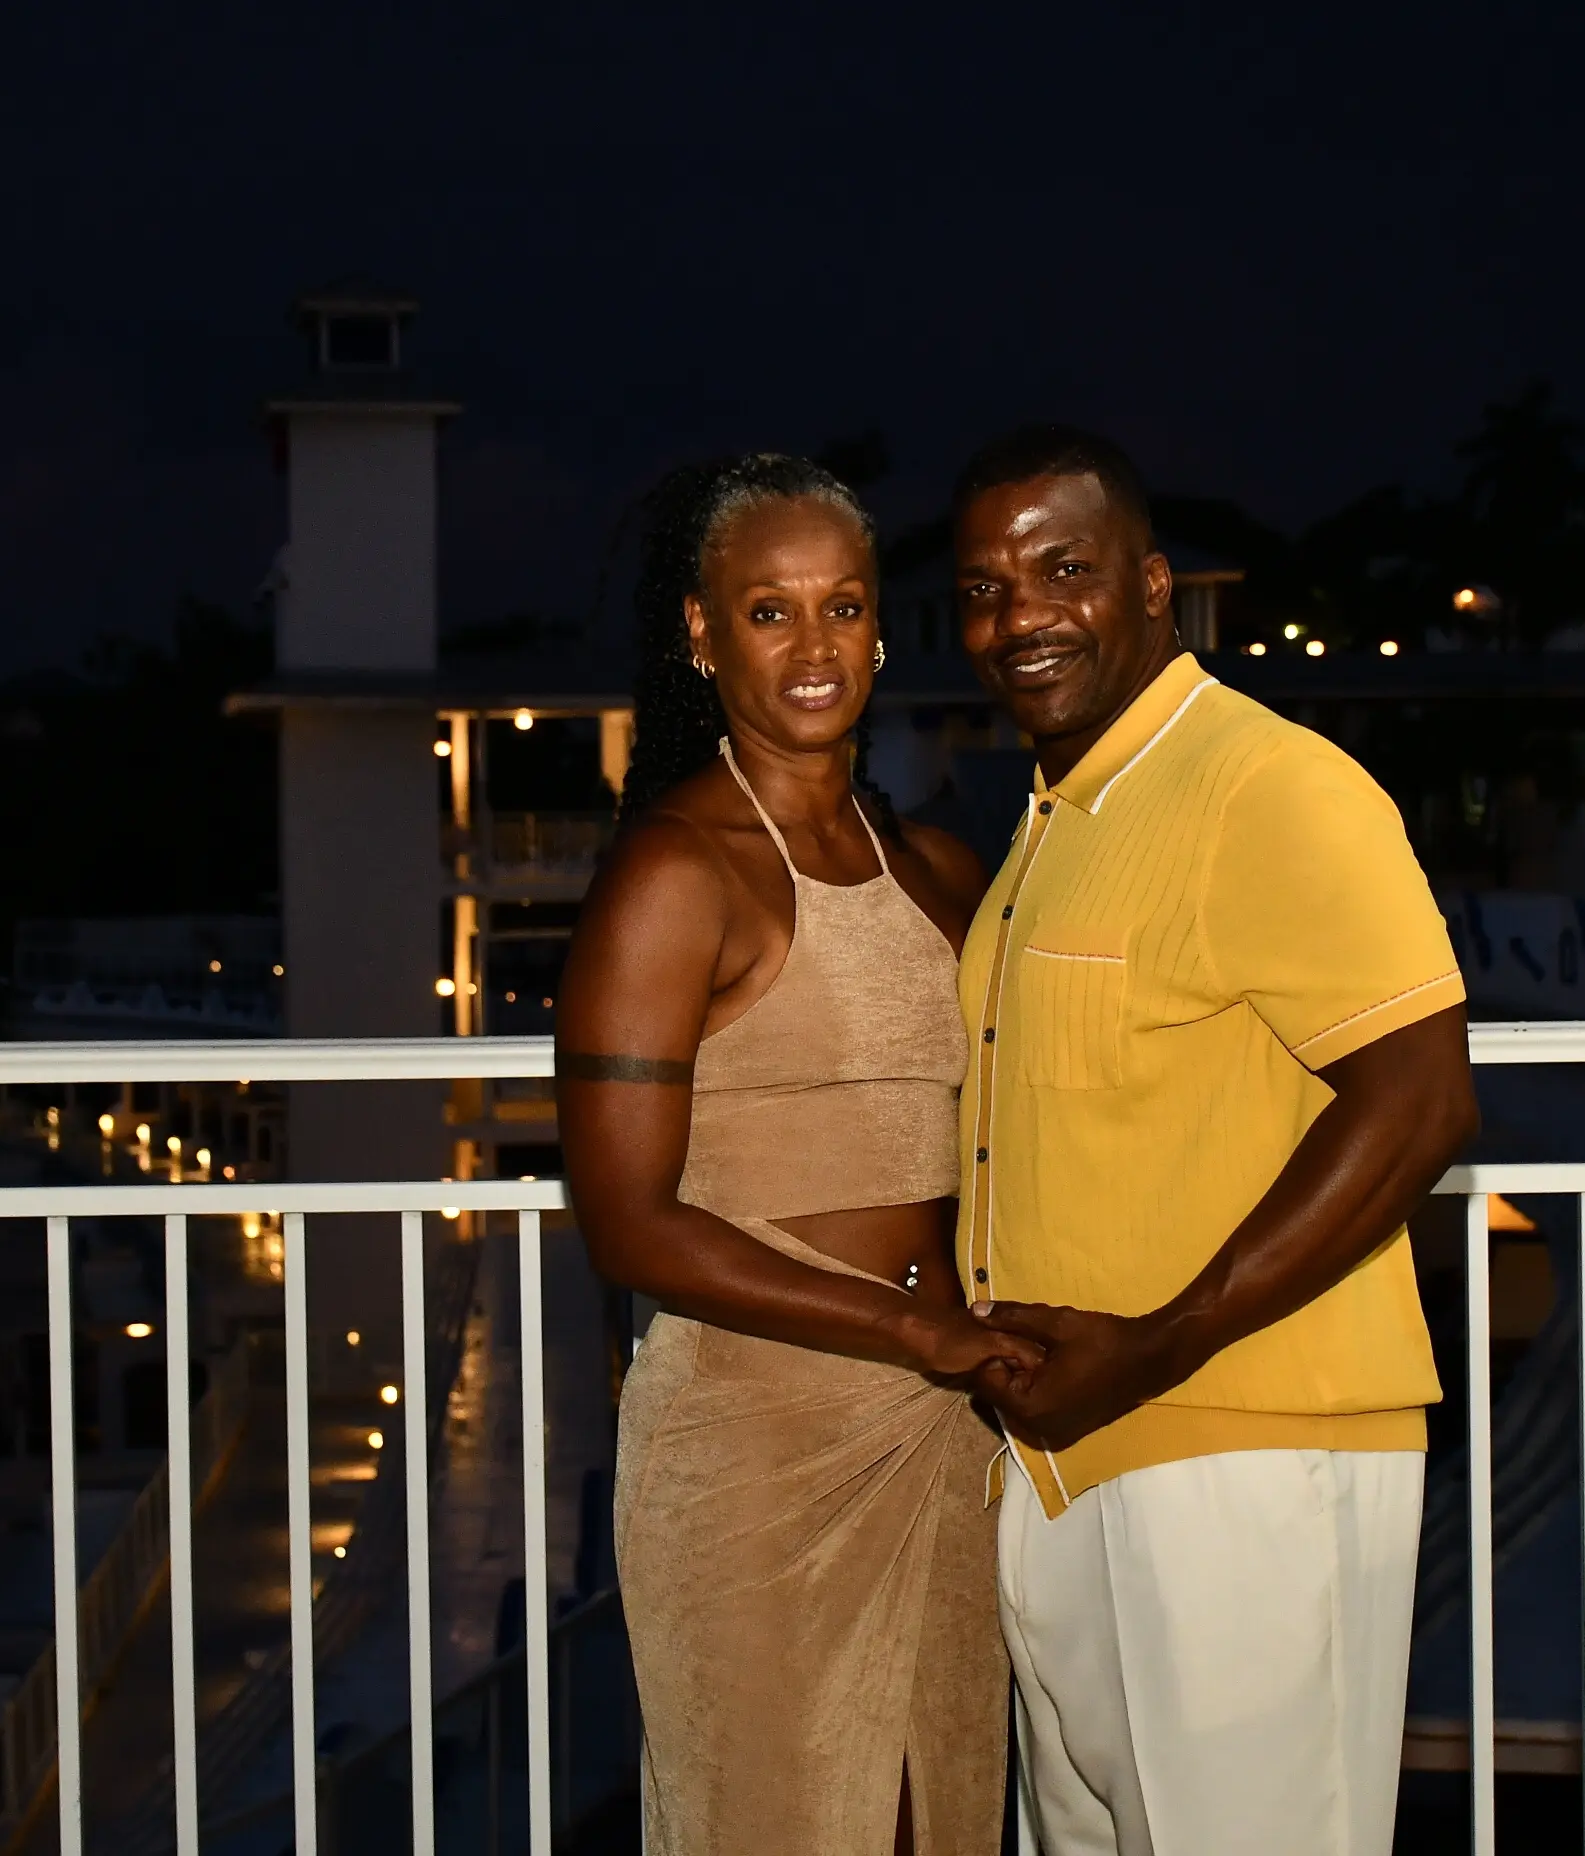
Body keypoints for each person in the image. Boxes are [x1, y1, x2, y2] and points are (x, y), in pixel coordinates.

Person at [948, 425, 1480, 1855]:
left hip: (1239, 1457)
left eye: (1063, 570)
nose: (1020, 616)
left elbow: (1422, 1100)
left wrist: (1166, 1340)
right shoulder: (1059, 820)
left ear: (1150, 590)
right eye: (984, 589)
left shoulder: (1267, 783)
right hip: (1065, 1460)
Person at [557, 453, 1033, 1856]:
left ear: (884, 628)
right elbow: (631, 1230)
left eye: (842, 606)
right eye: (769, 612)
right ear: (704, 637)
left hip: (941, 1435)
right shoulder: (674, 876)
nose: (813, 646)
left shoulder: (941, 869)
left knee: (930, 1817)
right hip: (757, 1446)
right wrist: (911, 1329)